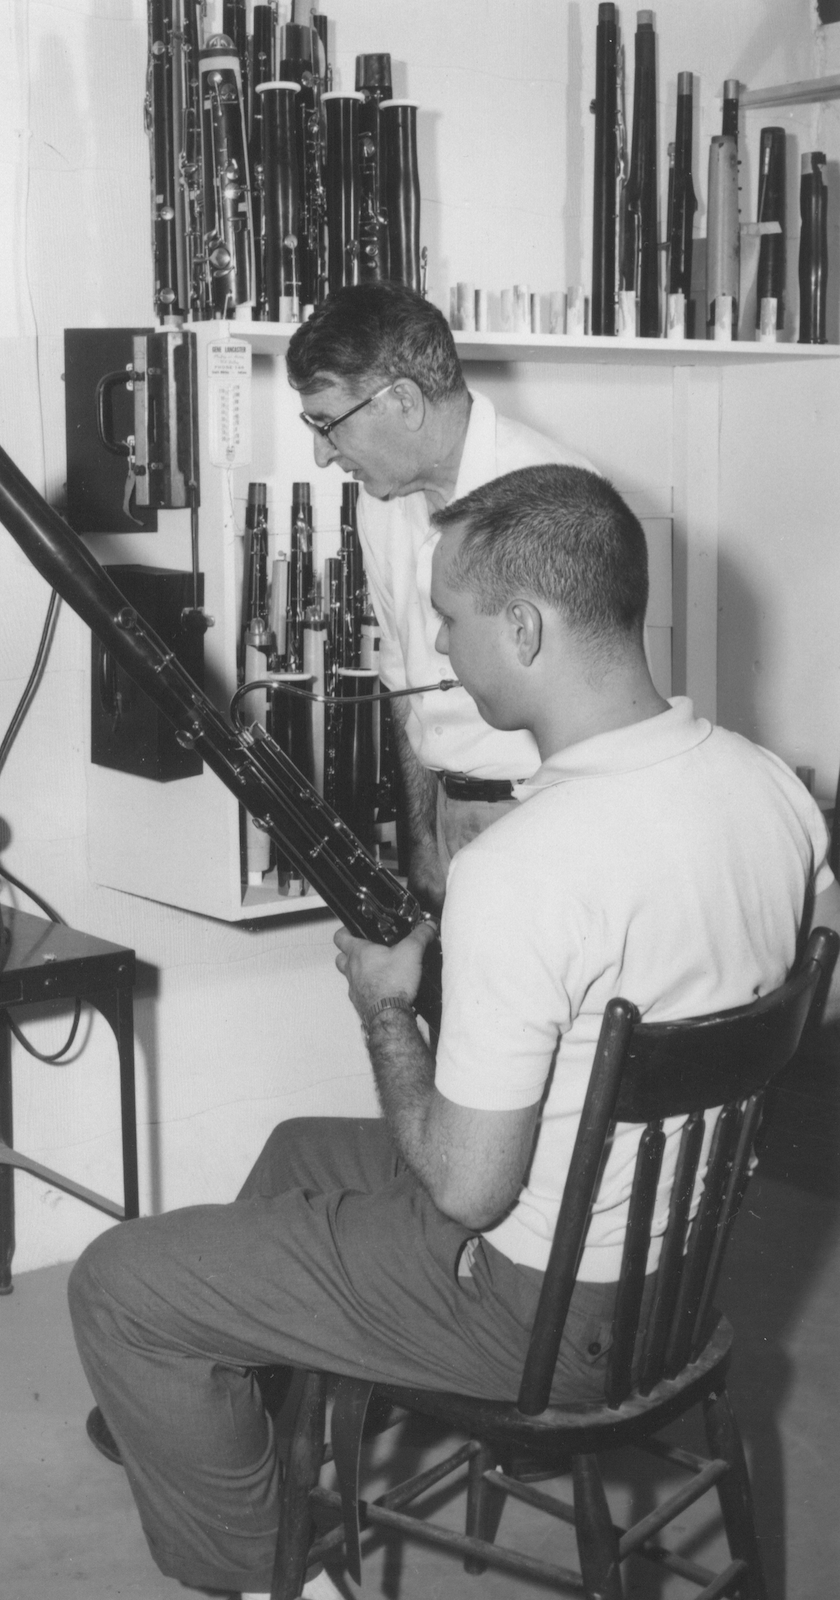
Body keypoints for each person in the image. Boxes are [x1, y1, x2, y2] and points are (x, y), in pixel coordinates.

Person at [68, 465, 840, 1600]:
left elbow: (470, 1190)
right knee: (293, 1152)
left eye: (448, 619)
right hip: (680, 1266)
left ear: (524, 627)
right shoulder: (769, 788)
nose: (436, 648)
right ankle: (232, 1398)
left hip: (548, 1315)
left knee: (119, 1282)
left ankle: (262, 1579)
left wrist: (388, 1006)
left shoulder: (525, 865)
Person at [285, 282, 592, 913]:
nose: (320, 455)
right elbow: (404, 685)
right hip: (451, 818)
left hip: (548, 821)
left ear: (402, 400)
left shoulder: (555, 499)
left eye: (327, 424)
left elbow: (597, 717)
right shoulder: (382, 504)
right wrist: (423, 843)